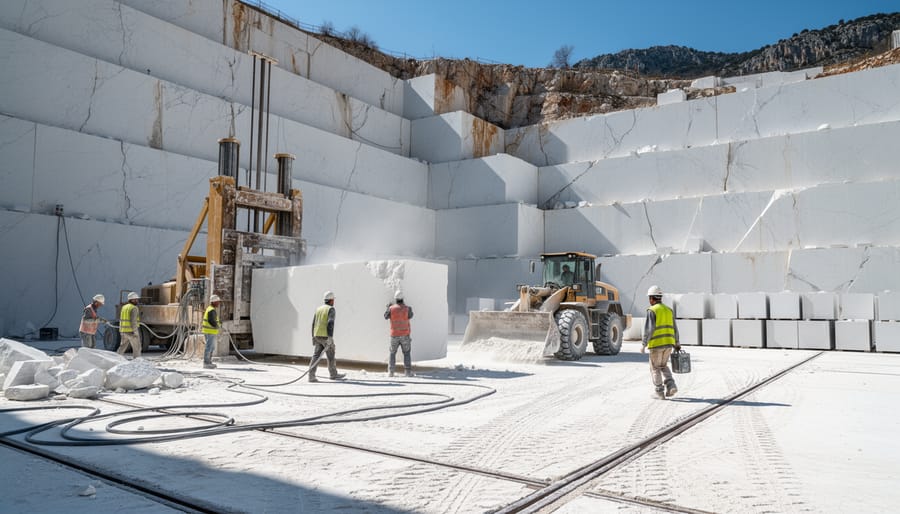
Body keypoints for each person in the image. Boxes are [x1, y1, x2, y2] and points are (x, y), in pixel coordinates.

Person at [641, 285, 680, 399]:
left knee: (655, 368)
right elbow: (675, 328)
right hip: (669, 344)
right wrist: (677, 342)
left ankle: (659, 392)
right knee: (663, 365)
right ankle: (671, 385)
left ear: (652, 298)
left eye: (649, 298)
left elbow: (649, 328)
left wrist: (644, 344)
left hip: (656, 345)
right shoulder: (669, 310)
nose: (649, 300)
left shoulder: (652, 310)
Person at [309, 291, 345, 382]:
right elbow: (330, 322)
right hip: (325, 336)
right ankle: (333, 374)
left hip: (317, 335)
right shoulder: (331, 309)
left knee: (316, 356)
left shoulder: (318, 309)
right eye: (333, 300)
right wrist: (330, 337)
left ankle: (311, 376)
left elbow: (313, 323)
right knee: (331, 355)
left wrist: (313, 336)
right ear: (331, 300)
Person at [384, 290, 414, 377]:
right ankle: (407, 372)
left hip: (394, 335)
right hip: (405, 335)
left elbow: (386, 316)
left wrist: (388, 307)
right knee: (407, 352)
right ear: (403, 299)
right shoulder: (408, 309)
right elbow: (411, 316)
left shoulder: (391, 309)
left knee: (392, 353)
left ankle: (391, 372)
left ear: (395, 299)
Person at [117, 291, 142, 358]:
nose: (137, 301)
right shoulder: (134, 308)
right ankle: (137, 362)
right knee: (137, 347)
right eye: (136, 299)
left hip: (123, 331)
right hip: (131, 331)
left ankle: (116, 359)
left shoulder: (124, 307)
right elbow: (133, 321)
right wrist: (135, 331)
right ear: (131, 300)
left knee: (122, 347)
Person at [201, 295, 221, 369]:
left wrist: (219, 323)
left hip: (209, 331)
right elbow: (211, 320)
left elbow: (213, 320)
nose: (219, 303)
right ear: (214, 302)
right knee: (209, 347)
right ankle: (206, 363)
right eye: (218, 302)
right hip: (210, 331)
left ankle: (209, 362)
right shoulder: (211, 310)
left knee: (211, 347)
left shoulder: (210, 309)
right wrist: (216, 325)